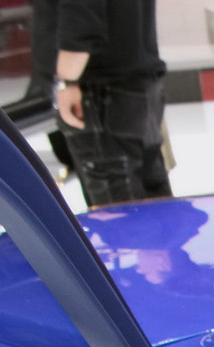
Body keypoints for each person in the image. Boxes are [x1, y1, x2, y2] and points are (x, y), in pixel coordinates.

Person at [53, 0, 172, 206]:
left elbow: (81, 18)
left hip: (101, 94)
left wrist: (67, 83)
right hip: (140, 84)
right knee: (156, 210)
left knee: (118, 217)